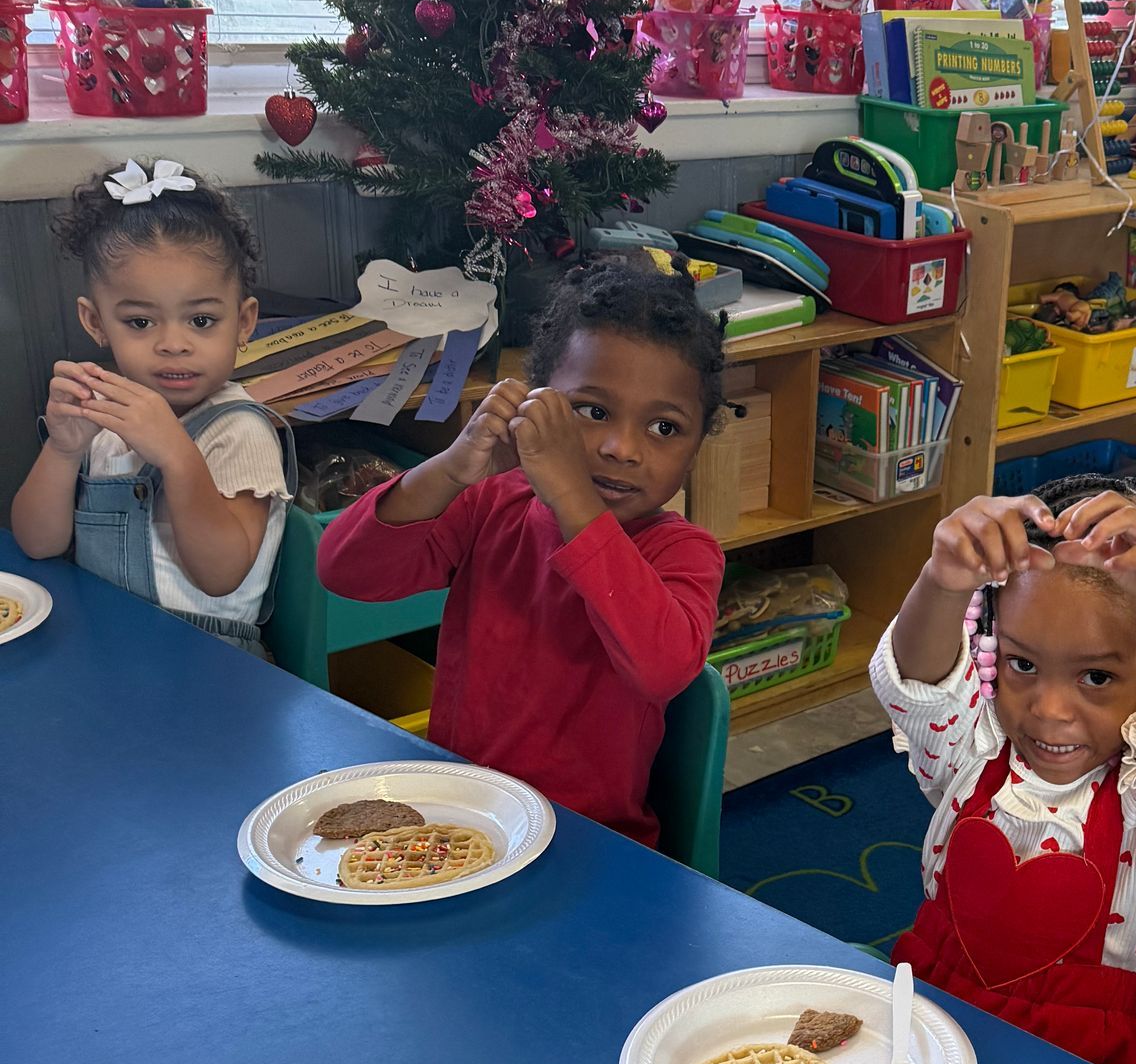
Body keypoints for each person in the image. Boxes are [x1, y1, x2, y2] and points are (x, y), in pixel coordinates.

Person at [871, 476, 1136, 1064]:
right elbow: (918, 690)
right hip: (923, 1027)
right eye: (1023, 664)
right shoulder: (973, 752)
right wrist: (940, 580)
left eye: (1096, 678)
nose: (1048, 710)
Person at [318, 256, 725, 846]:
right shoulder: (492, 505)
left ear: (694, 449)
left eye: (664, 428)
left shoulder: (683, 552)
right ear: (536, 404)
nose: (621, 448)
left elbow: (661, 667)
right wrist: (451, 469)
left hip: (589, 843)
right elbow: (345, 570)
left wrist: (568, 492)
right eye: (592, 412)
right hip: (459, 818)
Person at [11, 159, 296, 652]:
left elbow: (221, 575)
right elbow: (39, 544)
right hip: (106, 644)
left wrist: (177, 454)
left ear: (244, 322)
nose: (173, 344)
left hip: (209, 664)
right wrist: (62, 450)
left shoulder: (240, 432)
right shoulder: (103, 415)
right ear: (96, 322)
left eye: (202, 320)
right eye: (141, 323)